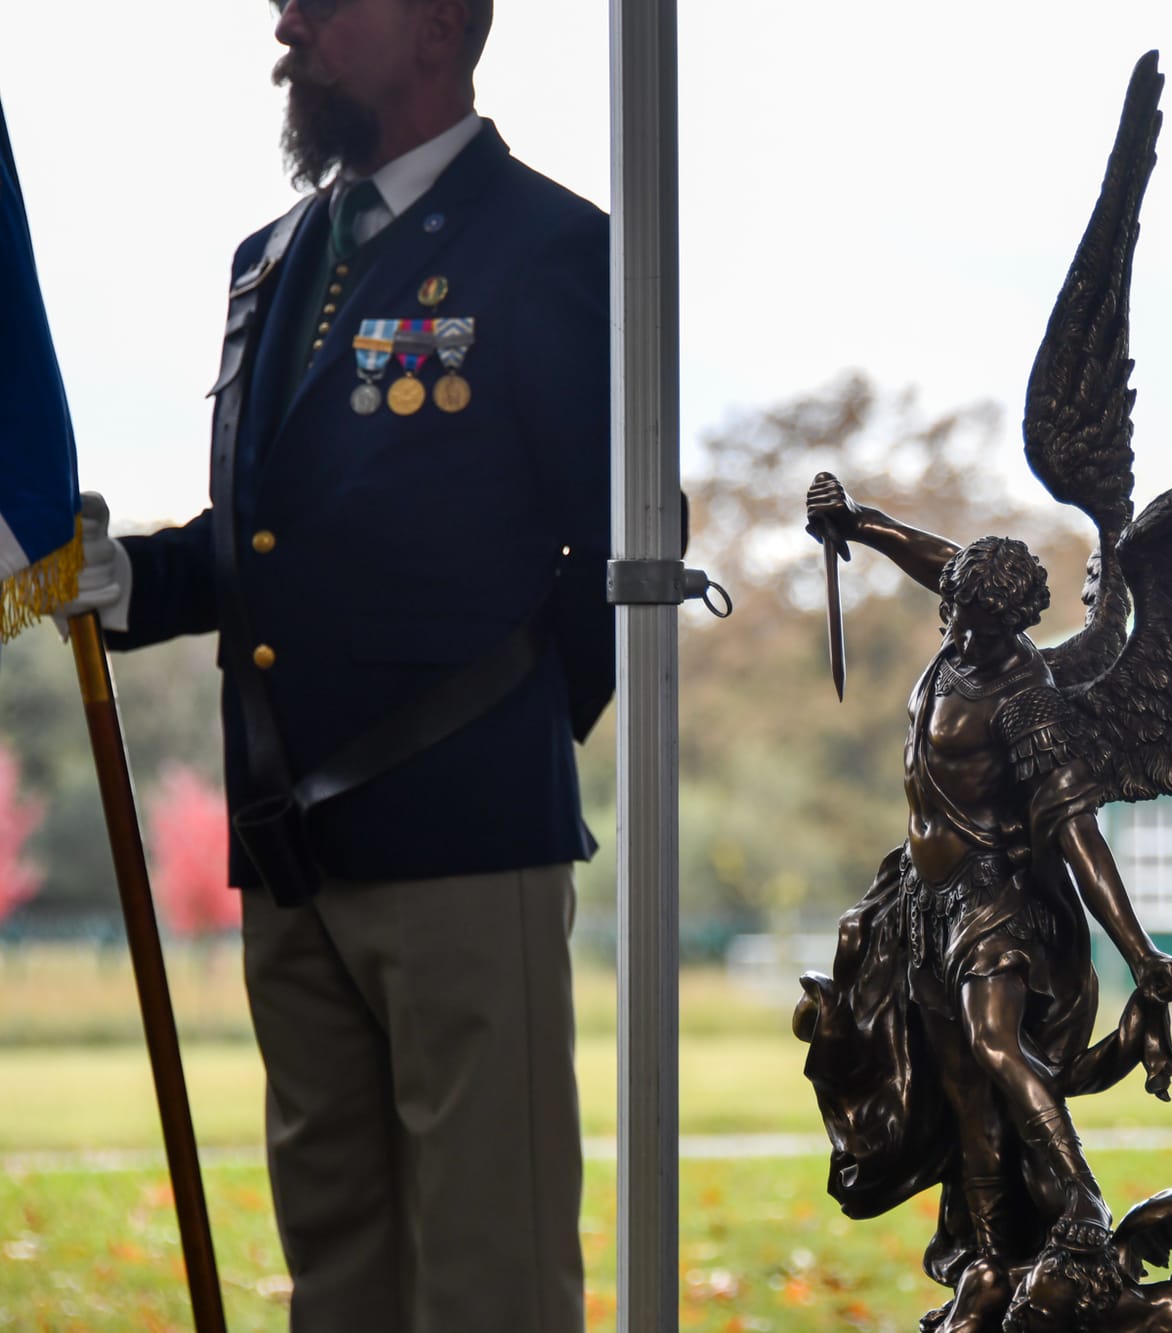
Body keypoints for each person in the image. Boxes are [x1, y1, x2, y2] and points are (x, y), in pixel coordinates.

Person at [58, 2, 610, 1328]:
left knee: (493, 1272)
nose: (286, 21)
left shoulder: (552, 249)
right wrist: (130, 578)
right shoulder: (273, 258)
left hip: (466, 851)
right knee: (337, 1269)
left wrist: (503, 755)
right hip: (289, 852)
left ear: (434, 25)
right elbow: (272, 537)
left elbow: (615, 555)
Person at [796, 474, 1172, 1305]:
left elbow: (1076, 833)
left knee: (993, 1043)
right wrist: (856, 520)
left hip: (994, 904)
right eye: (954, 607)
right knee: (960, 1087)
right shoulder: (961, 622)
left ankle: (1080, 1201)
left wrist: (1140, 951)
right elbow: (935, 562)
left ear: (1004, 620)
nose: (951, 622)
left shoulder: (1026, 701)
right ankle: (985, 1259)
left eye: (968, 615)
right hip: (925, 904)